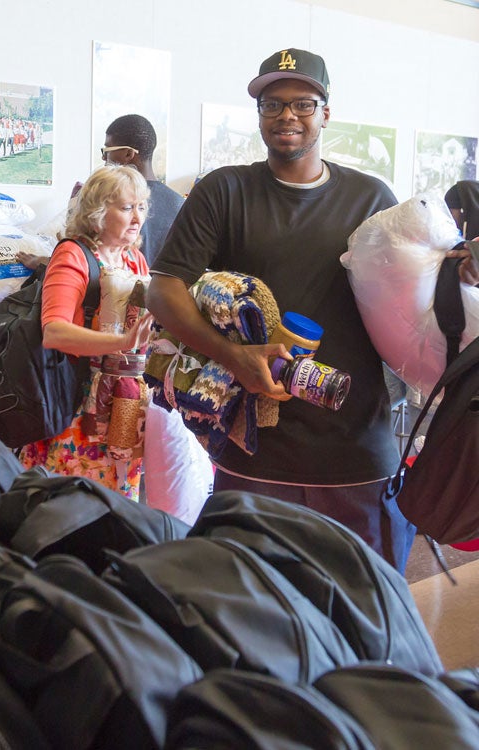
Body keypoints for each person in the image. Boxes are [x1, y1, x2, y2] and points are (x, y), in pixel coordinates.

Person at [145, 48, 420, 568]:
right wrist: (234, 357)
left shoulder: (371, 199)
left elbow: (415, 295)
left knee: (365, 617)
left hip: (357, 448)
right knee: (251, 616)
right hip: (255, 447)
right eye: (272, 104)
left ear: (325, 113)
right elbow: (164, 290)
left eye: (303, 104)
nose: (287, 116)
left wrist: (455, 272)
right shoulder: (225, 191)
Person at [18, 165, 153, 501]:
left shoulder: (134, 259)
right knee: (71, 503)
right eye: (125, 208)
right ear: (96, 213)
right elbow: (55, 332)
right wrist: (122, 343)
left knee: (119, 498)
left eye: (142, 207)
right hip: (77, 402)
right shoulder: (72, 254)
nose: (137, 218)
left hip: (123, 403)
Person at [101, 114, 185, 267]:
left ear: (128, 154)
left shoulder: (108, 198)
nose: (103, 157)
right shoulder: (180, 204)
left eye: (107, 150)